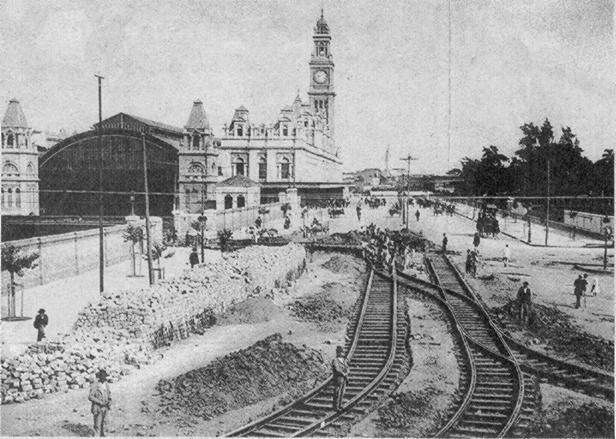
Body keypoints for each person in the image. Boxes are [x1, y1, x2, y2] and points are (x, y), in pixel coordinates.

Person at [89, 369, 111, 436]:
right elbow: (90, 396)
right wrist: (99, 402)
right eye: (102, 377)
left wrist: (110, 400)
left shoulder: (106, 384)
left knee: (105, 424)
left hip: (106, 407)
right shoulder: (95, 385)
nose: (104, 378)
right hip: (98, 408)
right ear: (99, 377)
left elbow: (109, 394)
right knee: (97, 425)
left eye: (105, 377)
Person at [331, 346, 349, 411]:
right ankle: (336, 407)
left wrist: (347, 373)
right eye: (340, 352)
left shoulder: (344, 360)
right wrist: (343, 373)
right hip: (338, 378)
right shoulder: (335, 360)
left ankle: (340, 405)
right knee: (337, 392)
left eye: (342, 352)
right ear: (337, 352)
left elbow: (347, 367)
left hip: (344, 378)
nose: (341, 353)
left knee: (342, 392)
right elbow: (337, 369)